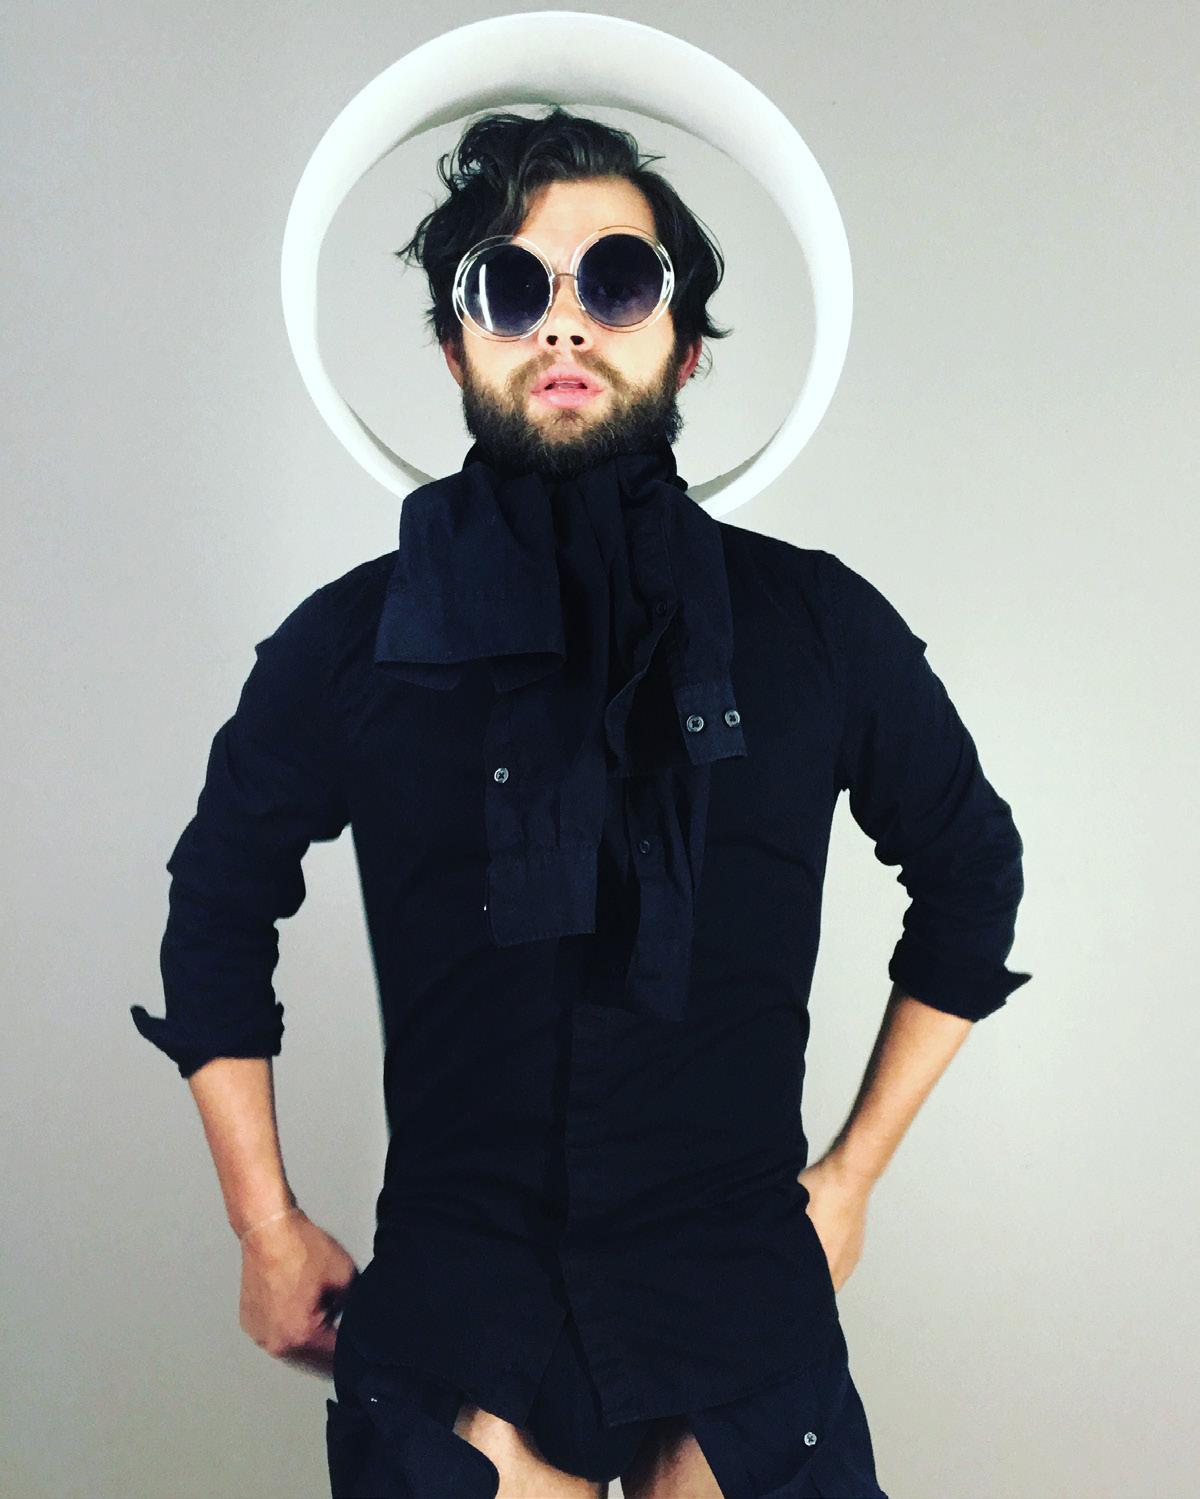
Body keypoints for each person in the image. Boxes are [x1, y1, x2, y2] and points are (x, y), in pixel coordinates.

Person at [131, 107, 1030, 1498]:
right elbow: (218, 902)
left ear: (685, 342)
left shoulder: (815, 624)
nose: (562, 323)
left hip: (743, 1304)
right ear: (455, 347)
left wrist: (851, 1178)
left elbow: (971, 869)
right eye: (509, 286)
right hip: (459, 1311)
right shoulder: (351, 644)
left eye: (615, 280)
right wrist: (264, 1224)